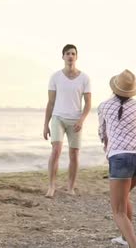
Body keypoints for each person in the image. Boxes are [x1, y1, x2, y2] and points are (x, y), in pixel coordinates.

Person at [98, 69, 136, 248]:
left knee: (118, 211)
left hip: (120, 157)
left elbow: (102, 133)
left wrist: (108, 148)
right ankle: (123, 238)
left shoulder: (104, 106)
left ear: (114, 87)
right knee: (124, 196)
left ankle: (133, 245)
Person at [43, 44, 91, 197]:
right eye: (67, 53)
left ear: (76, 57)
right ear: (63, 56)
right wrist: (45, 124)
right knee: (56, 150)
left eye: (73, 53)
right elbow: (50, 102)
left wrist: (81, 120)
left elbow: (88, 103)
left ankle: (70, 187)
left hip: (76, 120)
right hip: (58, 118)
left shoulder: (84, 78)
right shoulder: (55, 77)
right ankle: (51, 186)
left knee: (74, 154)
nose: (70, 56)